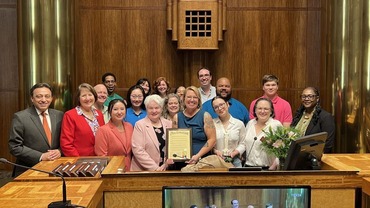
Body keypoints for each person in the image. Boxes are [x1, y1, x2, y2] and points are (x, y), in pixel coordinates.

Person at [9, 83, 64, 177]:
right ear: (32, 99)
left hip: (56, 169)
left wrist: (59, 151)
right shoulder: (20, 117)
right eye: (39, 96)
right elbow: (14, 147)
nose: (43, 100)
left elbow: (66, 140)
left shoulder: (60, 115)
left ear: (51, 98)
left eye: (47, 96)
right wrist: (41, 156)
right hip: (28, 170)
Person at [173, 86, 216, 165]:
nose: (192, 100)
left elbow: (212, 140)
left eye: (195, 97)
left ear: (199, 100)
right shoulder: (176, 117)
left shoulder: (205, 116)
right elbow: (174, 141)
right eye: (189, 97)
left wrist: (198, 156)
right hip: (181, 162)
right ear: (183, 99)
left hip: (202, 161)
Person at [60, 83, 105, 156]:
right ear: (78, 98)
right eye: (84, 96)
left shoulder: (99, 114)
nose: (88, 98)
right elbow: (66, 145)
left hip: (100, 158)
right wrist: (79, 161)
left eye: (90, 95)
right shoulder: (70, 115)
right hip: (80, 161)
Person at [131, 95, 173, 171]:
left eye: (157, 108)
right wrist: (156, 168)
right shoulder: (140, 125)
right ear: (146, 109)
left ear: (161, 109)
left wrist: (166, 165)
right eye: (151, 108)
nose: (154, 111)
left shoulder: (169, 124)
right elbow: (138, 150)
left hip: (166, 169)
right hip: (144, 171)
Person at [291, 87, 335, 153]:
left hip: (314, 159)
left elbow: (328, 144)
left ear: (317, 99)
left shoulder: (325, 117)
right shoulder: (299, 115)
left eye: (310, 96)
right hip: (295, 156)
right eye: (304, 96)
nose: (306, 99)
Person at [94, 99, 133, 171]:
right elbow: (102, 156)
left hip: (129, 169)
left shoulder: (129, 126)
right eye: (115, 109)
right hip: (112, 170)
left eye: (122, 109)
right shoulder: (103, 130)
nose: (119, 112)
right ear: (109, 112)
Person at [245, 98, 282, 169]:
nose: (262, 111)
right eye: (259, 108)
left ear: (271, 111)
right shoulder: (250, 124)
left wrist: (274, 166)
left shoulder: (276, 125)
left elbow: (281, 149)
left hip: (268, 168)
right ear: (255, 110)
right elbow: (244, 143)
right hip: (249, 167)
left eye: (266, 109)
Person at [211, 96, 246, 167]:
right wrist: (215, 151)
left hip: (235, 161)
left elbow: (243, 143)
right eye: (216, 107)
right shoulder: (212, 124)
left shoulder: (239, 124)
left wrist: (236, 152)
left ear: (227, 104)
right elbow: (209, 142)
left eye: (221, 104)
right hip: (217, 161)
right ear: (214, 110)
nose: (220, 108)